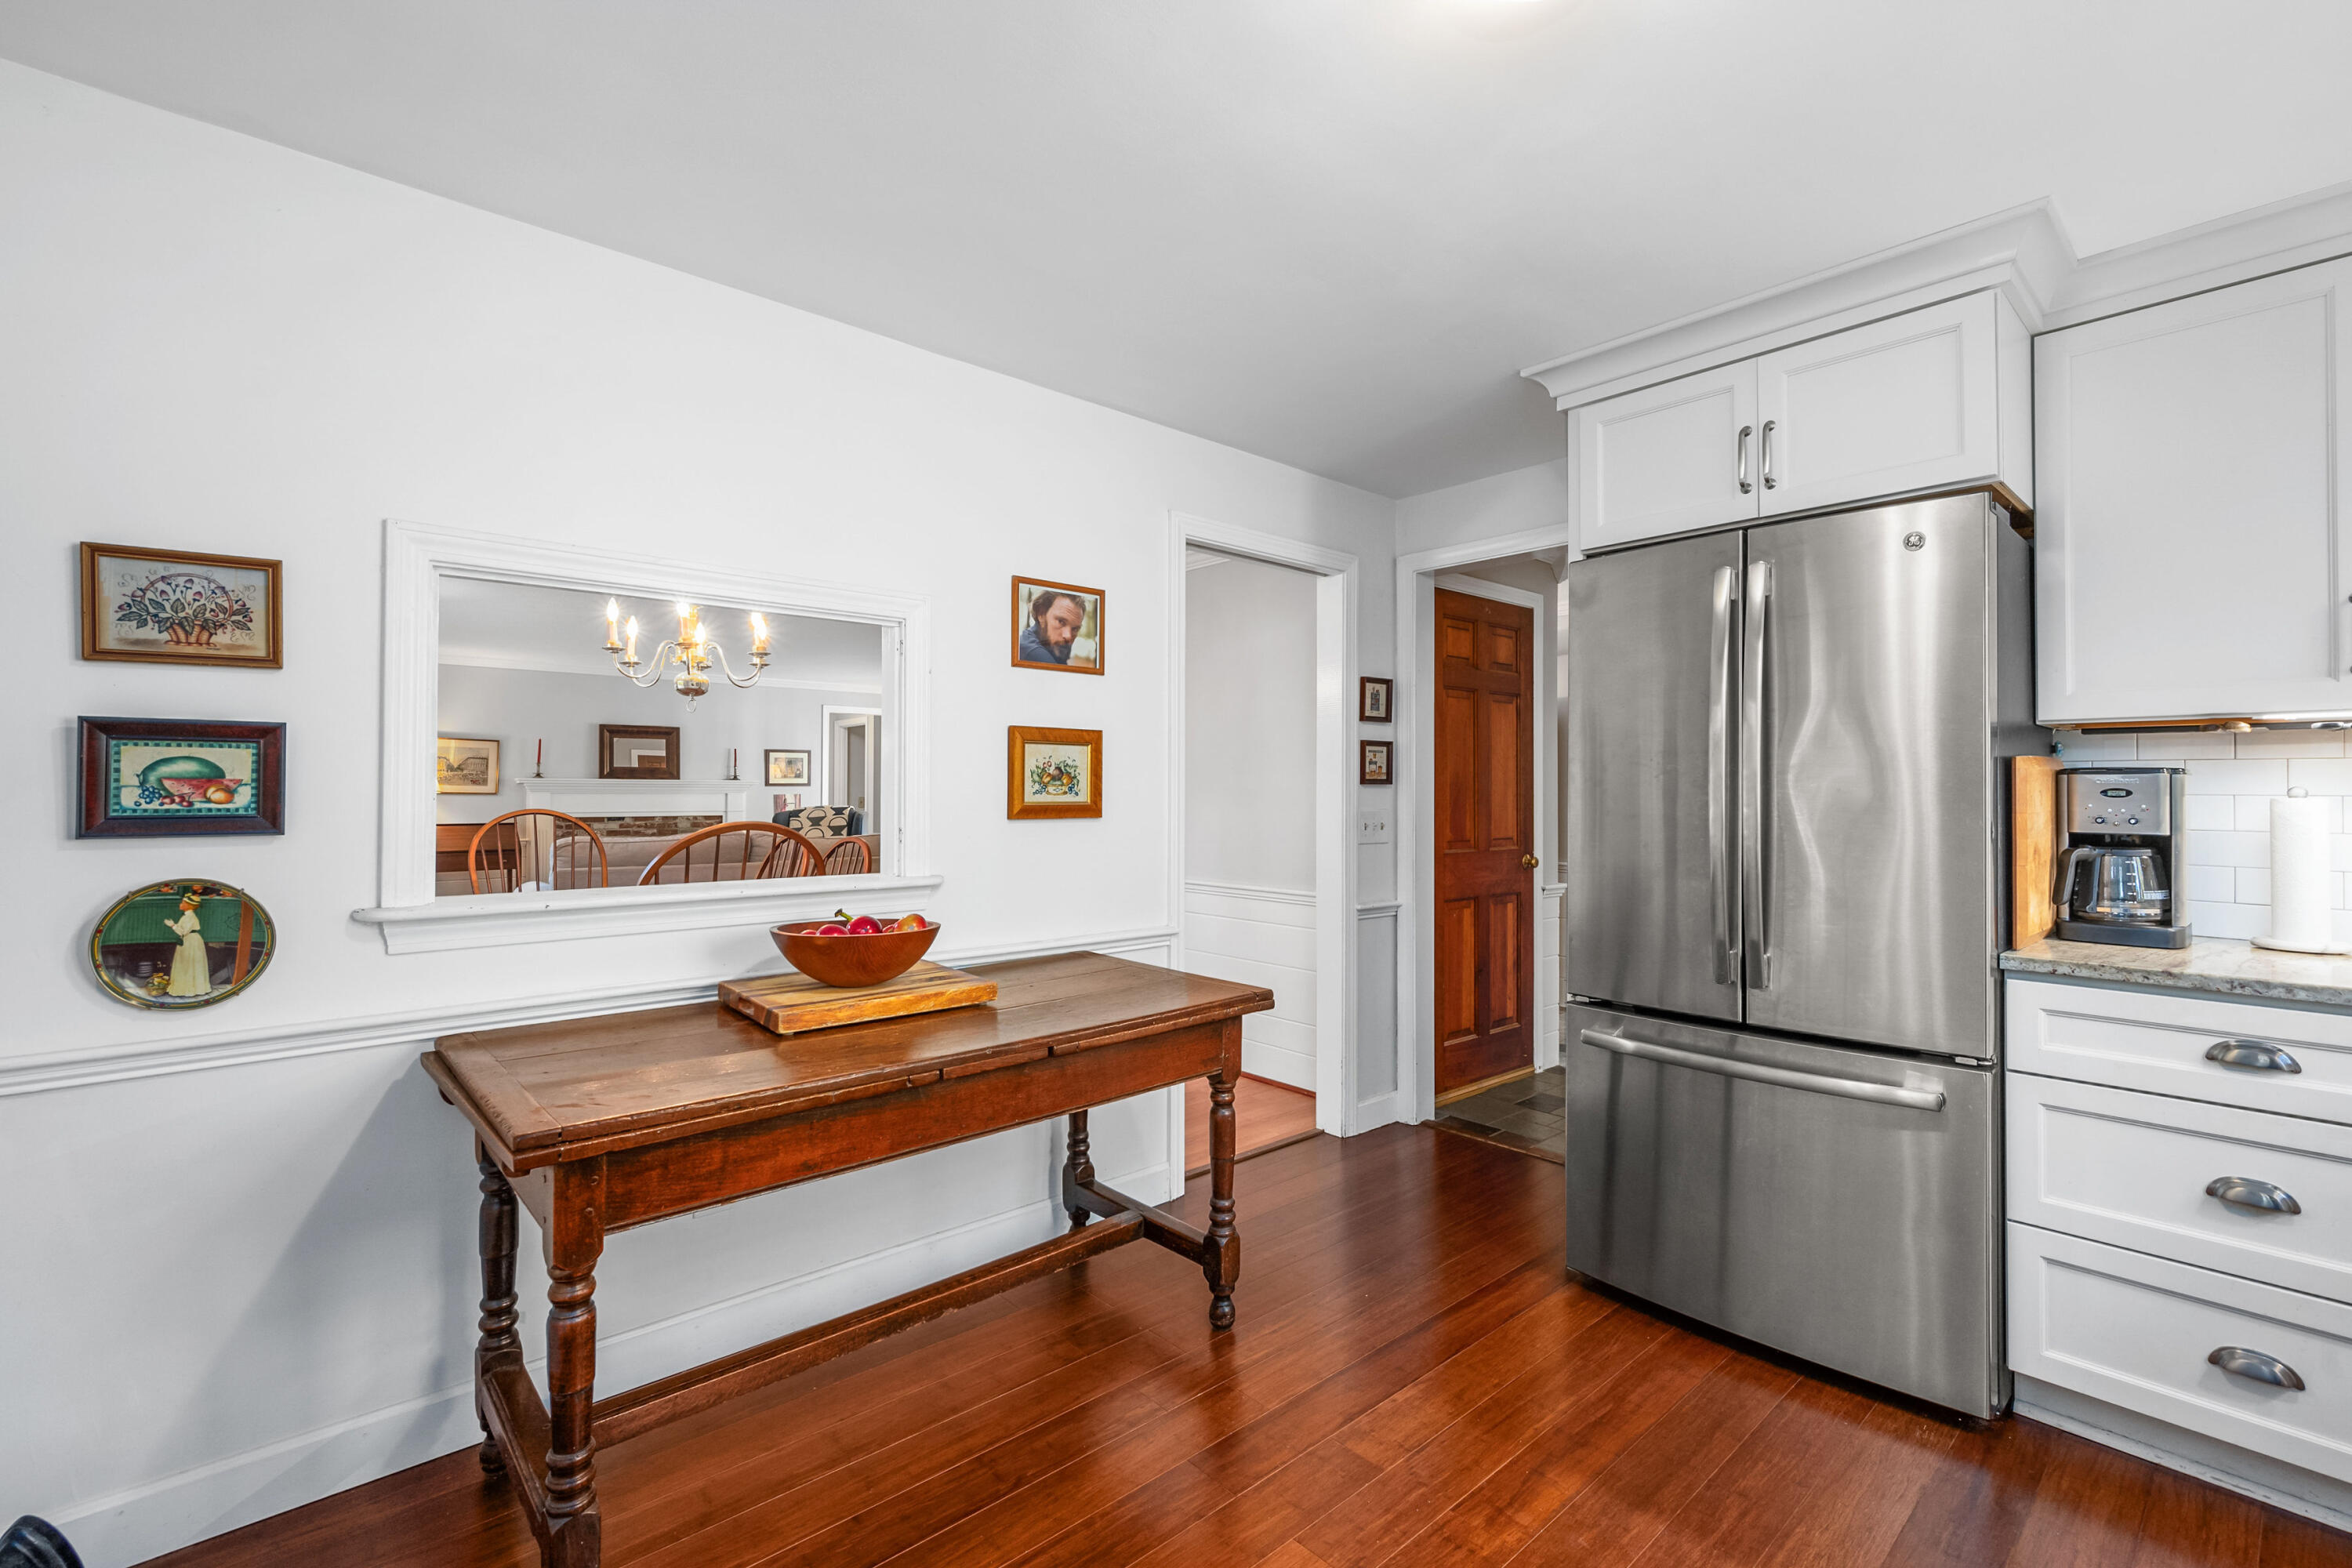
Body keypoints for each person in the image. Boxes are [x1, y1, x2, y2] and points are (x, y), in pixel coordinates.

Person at [1020, 589, 1091, 666]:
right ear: (1041, 614)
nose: (1068, 636)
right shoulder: (1035, 653)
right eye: (1061, 622)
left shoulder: (1055, 647)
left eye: (1075, 629)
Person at [165, 891, 212, 999]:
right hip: (189, 940)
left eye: (183, 903)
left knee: (188, 964)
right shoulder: (187, 916)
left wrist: (172, 925)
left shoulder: (189, 916)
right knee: (186, 963)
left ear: (189, 906)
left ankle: (189, 989)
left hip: (191, 941)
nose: (180, 904)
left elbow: (183, 931)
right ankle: (188, 988)